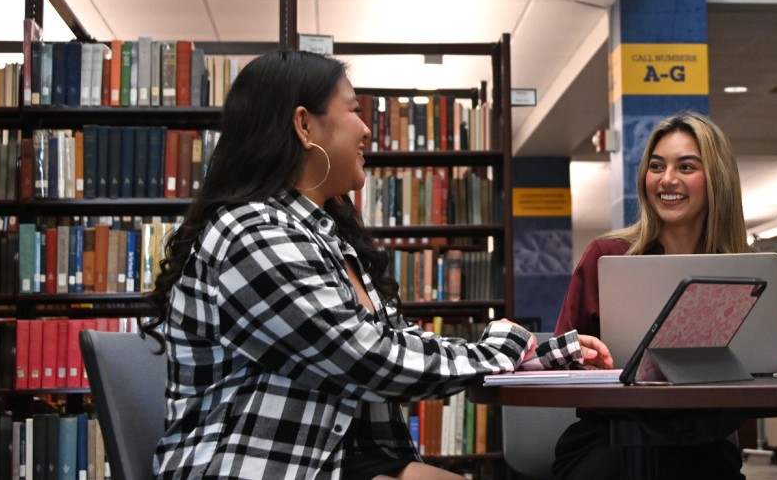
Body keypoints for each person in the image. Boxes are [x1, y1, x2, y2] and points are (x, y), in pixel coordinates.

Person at [141, 49, 611, 480]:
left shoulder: (327, 237)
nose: (367, 130)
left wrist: (535, 357)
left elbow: (400, 344)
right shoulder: (251, 233)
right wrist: (500, 351)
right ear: (304, 126)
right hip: (261, 465)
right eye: (354, 111)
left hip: (340, 458)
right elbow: (365, 357)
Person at [552, 110, 777, 480]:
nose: (667, 179)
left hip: (704, 442)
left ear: (717, 180)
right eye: (656, 166)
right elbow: (561, 355)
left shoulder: (744, 270)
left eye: (686, 167)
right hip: (611, 440)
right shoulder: (608, 256)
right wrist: (584, 359)